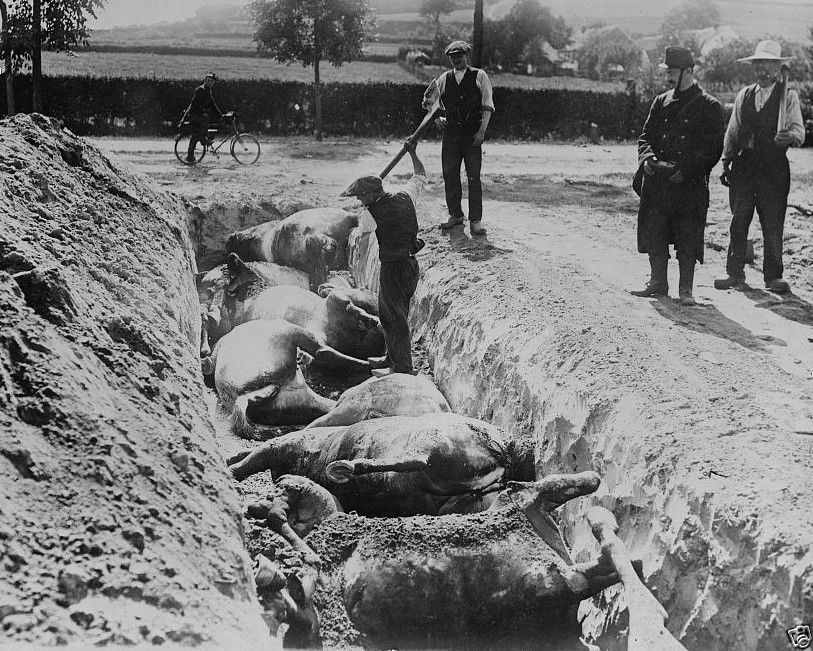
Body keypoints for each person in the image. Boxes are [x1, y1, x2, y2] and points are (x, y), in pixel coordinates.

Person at [631, 47, 724, 306]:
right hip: (658, 181)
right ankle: (657, 282)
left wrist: (686, 169)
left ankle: (686, 290)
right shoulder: (660, 102)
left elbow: (713, 149)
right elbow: (645, 136)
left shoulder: (709, 106)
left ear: (689, 72)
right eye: (667, 72)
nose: (668, 77)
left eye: (672, 72)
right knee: (654, 229)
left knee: (687, 234)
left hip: (687, 183)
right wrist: (647, 158)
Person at [714, 40, 806, 294]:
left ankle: (773, 277)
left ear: (777, 67)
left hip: (774, 168)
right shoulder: (745, 94)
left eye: (766, 64)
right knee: (739, 219)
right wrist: (726, 161)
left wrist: (789, 137)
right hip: (744, 165)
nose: (760, 69)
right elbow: (732, 132)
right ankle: (734, 273)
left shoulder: (788, 95)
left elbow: (799, 132)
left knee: (773, 222)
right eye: (757, 64)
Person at [340, 140, 427, 377]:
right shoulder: (406, 195)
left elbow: (362, 230)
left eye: (360, 197)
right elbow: (420, 174)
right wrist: (413, 152)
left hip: (393, 268)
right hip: (411, 266)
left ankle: (402, 369)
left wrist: (364, 212)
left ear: (370, 195)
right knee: (396, 314)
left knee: (393, 318)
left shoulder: (370, 214)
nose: (359, 200)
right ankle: (392, 358)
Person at [433, 40, 495, 236]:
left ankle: (475, 220)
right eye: (453, 56)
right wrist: (437, 119)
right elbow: (430, 101)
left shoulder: (479, 76)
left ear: (466, 55)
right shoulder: (444, 78)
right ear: (449, 58)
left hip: (471, 134)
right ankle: (455, 215)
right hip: (451, 135)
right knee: (450, 174)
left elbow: (487, 105)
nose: (456, 59)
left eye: (459, 55)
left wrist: (482, 132)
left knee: (473, 177)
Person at [180, 72, 223, 163]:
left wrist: (221, 115)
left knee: (195, 135)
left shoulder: (208, 91)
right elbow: (194, 105)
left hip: (198, 115)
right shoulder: (200, 90)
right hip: (193, 115)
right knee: (205, 120)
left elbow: (213, 105)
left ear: (213, 83)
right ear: (205, 81)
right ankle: (204, 141)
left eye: (211, 81)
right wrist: (203, 112)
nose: (209, 83)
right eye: (208, 81)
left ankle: (190, 157)